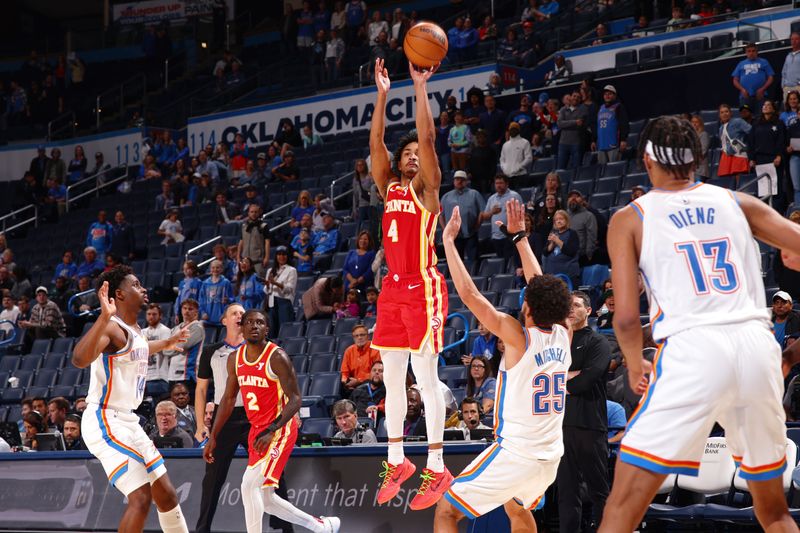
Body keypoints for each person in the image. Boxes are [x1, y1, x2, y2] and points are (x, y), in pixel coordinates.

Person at [598, 115, 800, 532]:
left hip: (694, 350)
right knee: (774, 511)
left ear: (648, 160)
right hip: (757, 347)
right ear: (698, 159)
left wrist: (636, 366)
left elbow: (624, 319)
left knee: (622, 506)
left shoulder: (630, 217)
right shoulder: (738, 202)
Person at [435, 198, 573, 532]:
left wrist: (449, 243)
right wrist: (520, 238)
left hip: (517, 453)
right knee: (517, 509)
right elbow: (540, 286)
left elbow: (470, 296)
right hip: (550, 456)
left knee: (446, 510)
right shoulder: (564, 332)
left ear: (528, 306)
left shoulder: (517, 337)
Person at [369, 57, 452, 509]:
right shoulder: (388, 187)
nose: (414, 157)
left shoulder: (427, 190)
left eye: (417, 155)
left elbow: (428, 137)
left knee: (426, 377)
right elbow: (376, 141)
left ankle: (437, 468)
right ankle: (397, 460)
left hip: (423, 286)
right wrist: (382, 95)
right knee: (393, 382)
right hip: (392, 291)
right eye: (408, 155)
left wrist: (419, 88)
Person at [72, 266, 191, 533]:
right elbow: (79, 359)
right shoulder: (111, 328)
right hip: (105, 419)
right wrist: (103, 318)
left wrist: (167, 342)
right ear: (119, 295)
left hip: (129, 421)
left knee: (168, 496)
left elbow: (139, 348)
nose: (143, 288)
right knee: (140, 498)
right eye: (136, 285)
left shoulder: (135, 329)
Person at [204, 309, 341, 533]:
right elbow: (228, 400)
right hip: (257, 431)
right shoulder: (235, 359)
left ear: (267, 329)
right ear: (242, 327)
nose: (254, 326)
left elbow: (296, 399)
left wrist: (272, 429)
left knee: (248, 486)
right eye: (249, 322)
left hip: (280, 428)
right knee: (265, 499)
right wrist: (214, 436)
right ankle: (322, 526)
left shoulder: (277, 357)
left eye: (260, 323)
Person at [557, 290, 612, 532]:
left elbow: (585, 381)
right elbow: (544, 379)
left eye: (577, 305)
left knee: (599, 491)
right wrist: (571, 377)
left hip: (591, 425)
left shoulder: (598, 341)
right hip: (560, 426)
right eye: (568, 305)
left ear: (588, 311)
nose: (571, 309)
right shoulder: (556, 342)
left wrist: (561, 379)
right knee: (567, 493)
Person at [194, 304, 248, 533]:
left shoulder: (257, 349)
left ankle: (286, 528)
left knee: (273, 472)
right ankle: (202, 528)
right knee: (213, 478)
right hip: (222, 416)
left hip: (253, 415)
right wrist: (199, 425)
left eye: (243, 314)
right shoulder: (211, 351)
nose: (240, 316)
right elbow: (200, 390)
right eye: (235, 313)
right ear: (224, 320)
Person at [439, 170, 485, 270]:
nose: (459, 181)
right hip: (454, 235)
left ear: (466, 181)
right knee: (456, 261)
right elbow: (441, 215)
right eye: (457, 179)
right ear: (453, 181)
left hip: (471, 233)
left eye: (461, 179)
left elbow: (482, 212)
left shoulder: (474, 194)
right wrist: (445, 230)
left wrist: (477, 225)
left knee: (474, 260)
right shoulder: (446, 196)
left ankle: (474, 278)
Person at [163, 299, 205, 389]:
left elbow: (182, 346)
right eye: (184, 308)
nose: (187, 311)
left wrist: (168, 346)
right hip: (172, 374)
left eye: (190, 309)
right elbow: (164, 350)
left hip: (187, 374)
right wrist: (168, 347)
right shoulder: (176, 328)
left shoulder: (197, 328)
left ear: (196, 312)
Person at [481, 174, 523, 263]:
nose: (498, 185)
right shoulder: (491, 198)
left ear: (507, 184)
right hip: (496, 236)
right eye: (496, 183)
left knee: (510, 260)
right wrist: (492, 212)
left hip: (510, 235)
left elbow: (521, 214)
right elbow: (485, 216)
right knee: (501, 261)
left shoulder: (514, 196)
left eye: (501, 183)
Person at [264, 247, 297, 337]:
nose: (281, 257)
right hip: (272, 303)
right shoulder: (270, 270)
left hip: (284, 303)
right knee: (272, 332)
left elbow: (289, 289)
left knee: (285, 331)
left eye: (284, 254)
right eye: (279, 254)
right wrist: (267, 284)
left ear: (287, 256)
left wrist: (276, 283)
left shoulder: (291, 270)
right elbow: (267, 290)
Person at [732, 43, 775, 112]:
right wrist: (743, 90)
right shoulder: (741, 64)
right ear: (746, 52)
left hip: (761, 95)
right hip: (745, 97)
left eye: (753, 51)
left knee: (761, 117)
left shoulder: (764, 62)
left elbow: (771, 78)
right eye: (749, 51)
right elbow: (735, 80)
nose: (751, 53)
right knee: (745, 117)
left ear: (757, 52)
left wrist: (762, 89)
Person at [543, 210, 581, 287]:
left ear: (566, 220)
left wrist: (558, 241)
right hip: (552, 275)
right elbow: (545, 252)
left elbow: (571, 252)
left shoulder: (572, 233)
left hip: (568, 274)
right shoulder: (553, 234)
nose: (558, 221)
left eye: (561, 219)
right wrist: (552, 244)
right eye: (556, 220)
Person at [593, 85, 630, 164]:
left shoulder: (618, 107)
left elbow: (624, 123)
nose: (607, 96)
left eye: (610, 94)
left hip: (614, 145)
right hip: (601, 145)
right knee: (602, 171)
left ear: (615, 95)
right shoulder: (600, 108)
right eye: (605, 94)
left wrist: (623, 139)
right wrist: (594, 140)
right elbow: (597, 126)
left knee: (614, 169)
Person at [341, 324, 381, 394]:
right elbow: (344, 372)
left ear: (367, 336)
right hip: (353, 387)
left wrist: (359, 381)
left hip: (371, 385)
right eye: (356, 336)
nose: (359, 338)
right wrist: (345, 381)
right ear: (353, 338)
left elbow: (377, 373)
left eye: (362, 335)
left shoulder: (375, 349)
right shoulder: (349, 351)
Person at [142, 303, 172, 400]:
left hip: (160, 376)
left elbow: (165, 350)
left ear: (160, 316)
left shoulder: (165, 331)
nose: (151, 317)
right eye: (149, 314)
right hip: (145, 376)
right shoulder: (142, 332)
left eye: (154, 314)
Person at [238, 205, 271, 276]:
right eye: (252, 212)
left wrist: (266, 257)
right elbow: (241, 241)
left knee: (259, 280)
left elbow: (267, 242)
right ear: (248, 213)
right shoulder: (244, 226)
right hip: (245, 260)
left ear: (259, 213)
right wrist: (238, 256)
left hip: (258, 260)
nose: (254, 214)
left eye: (256, 212)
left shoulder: (263, 226)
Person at [199, 260, 233, 325]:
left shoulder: (226, 282)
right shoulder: (205, 283)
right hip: (208, 318)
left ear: (221, 269)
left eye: (217, 267)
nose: (215, 269)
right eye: (213, 267)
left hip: (221, 318)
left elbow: (232, 299)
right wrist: (203, 313)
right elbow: (201, 300)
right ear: (210, 269)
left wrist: (228, 300)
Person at [782, 32, 800, 102]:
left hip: (798, 87)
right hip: (787, 88)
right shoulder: (788, 56)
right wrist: (783, 85)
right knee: (788, 110)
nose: (794, 41)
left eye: (796, 39)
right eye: (792, 39)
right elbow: (784, 72)